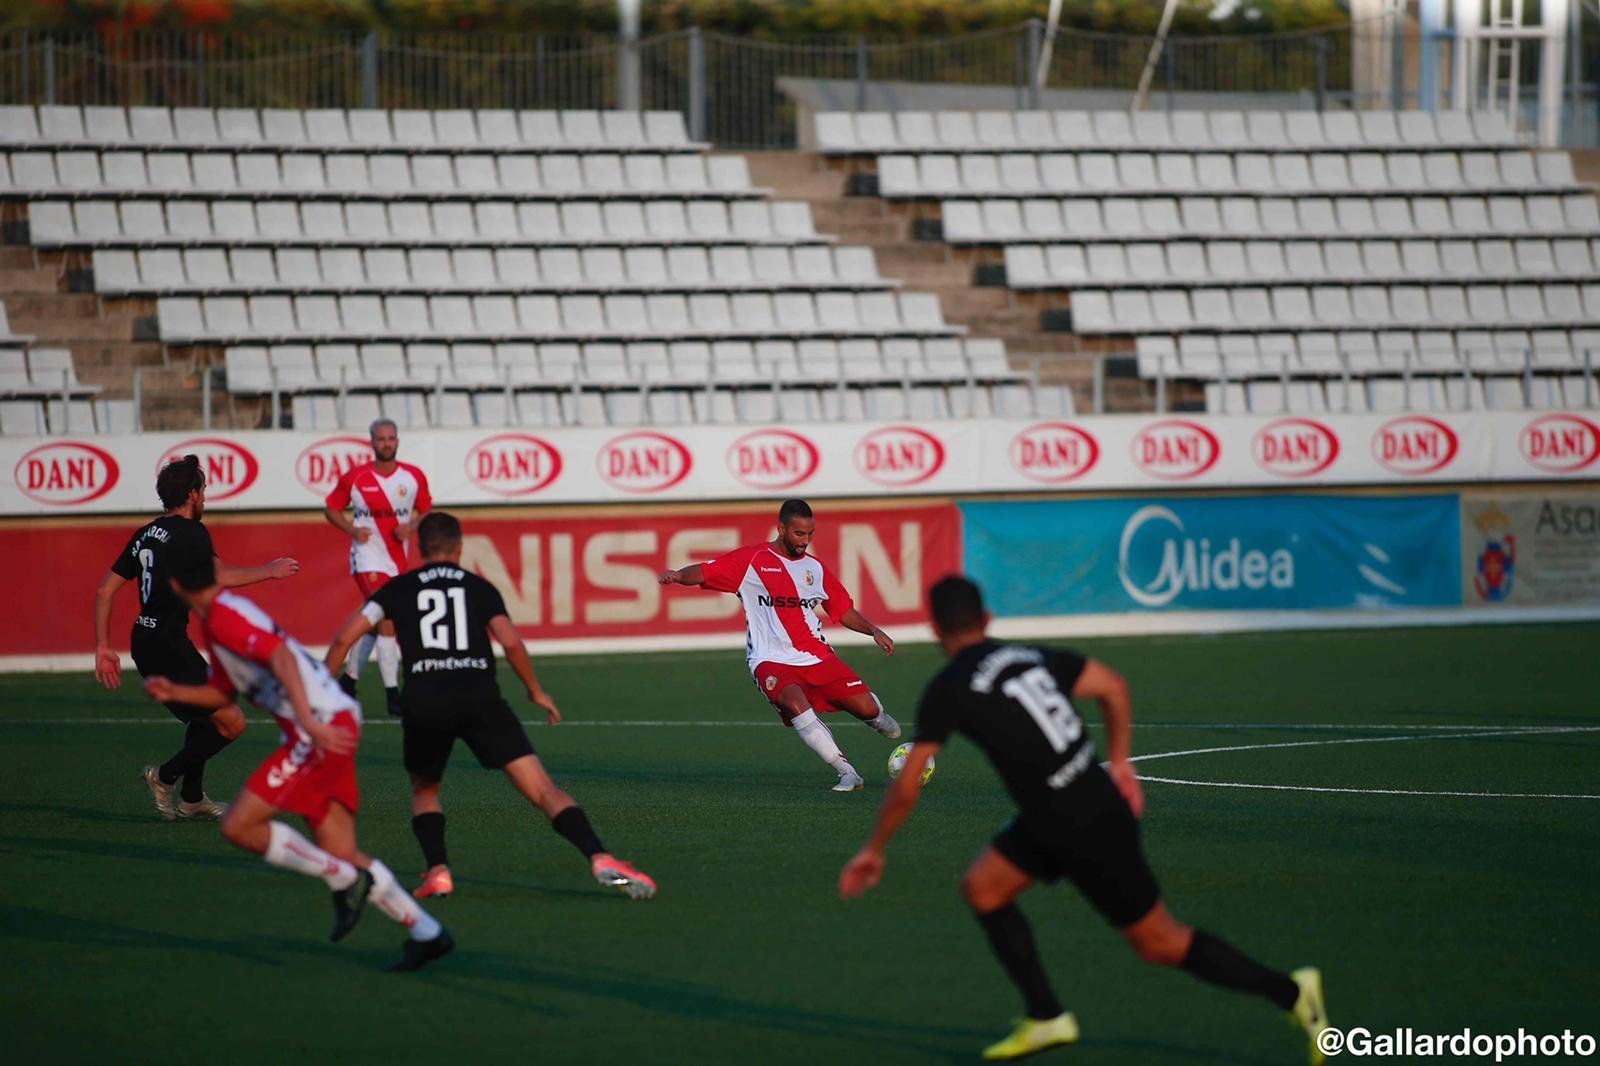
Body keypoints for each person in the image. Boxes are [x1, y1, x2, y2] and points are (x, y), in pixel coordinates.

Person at [840, 575, 1329, 1064]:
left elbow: (908, 784)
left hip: (1082, 823)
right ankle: (1047, 1016)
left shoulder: (948, 687)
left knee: (1159, 942)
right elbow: (1113, 688)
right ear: (986, 620)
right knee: (984, 887)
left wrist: (874, 847)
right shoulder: (1031, 655)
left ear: (935, 629)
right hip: (1067, 809)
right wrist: (1119, 763)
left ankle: (1291, 992)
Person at [141, 553, 453, 972]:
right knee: (340, 851)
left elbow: (283, 660)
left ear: (175, 588)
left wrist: (306, 719)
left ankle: (340, 878)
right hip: (332, 720)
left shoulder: (222, 620)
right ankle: (428, 932)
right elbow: (222, 693)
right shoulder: (219, 619)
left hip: (318, 728)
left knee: (239, 826)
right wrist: (175, 690)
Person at [325, 511, 657, 902]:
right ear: (460, 547)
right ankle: (599, 856)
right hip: (479, 698)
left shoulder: (396, 589)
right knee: (542, 789)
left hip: (425, 702)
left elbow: (344, 639)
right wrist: (534, 690)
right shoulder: (479, 587)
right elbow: (510, 640)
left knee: (425, 791)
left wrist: (323, 695)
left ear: (420, 548)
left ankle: (439, 872)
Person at [93, 453, 299, 821]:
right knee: (231, 721)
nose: (204, 498)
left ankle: (191, 799)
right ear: (191, 494)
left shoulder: (146, 534)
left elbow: (105, 591)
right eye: (202, 491)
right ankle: (164, 776)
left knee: (205, 718)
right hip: (166, 646)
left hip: (148, 640)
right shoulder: (192, 532)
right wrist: (269, 571)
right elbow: (220, 576)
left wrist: (103, 646)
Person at [658, 498, 899, 792]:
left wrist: (873, 631)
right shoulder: (752, 560)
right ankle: (846, 771)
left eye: (810, 534)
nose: (805, 541)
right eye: (799, 534)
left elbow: (842, 610)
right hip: (768, 658)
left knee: (866, 709)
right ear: (781, 528)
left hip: (815, 655)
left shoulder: (815, 568)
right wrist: (679, 576)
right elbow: (707, 571)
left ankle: (878, 717)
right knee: (794, 703)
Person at [322, 417, 431, 717]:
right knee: (387, 618)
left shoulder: (413, 477)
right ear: (371, 442)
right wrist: (352, 531)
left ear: (397, 441)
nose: (386, 443)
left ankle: (349, 680)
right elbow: (331, 507)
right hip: (367, 558)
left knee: (372, 619)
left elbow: (426, 508)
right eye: (381, 439)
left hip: (398, 561)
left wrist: (411, 526)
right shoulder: (356, 478)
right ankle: (392, 695)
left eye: (391, 438)